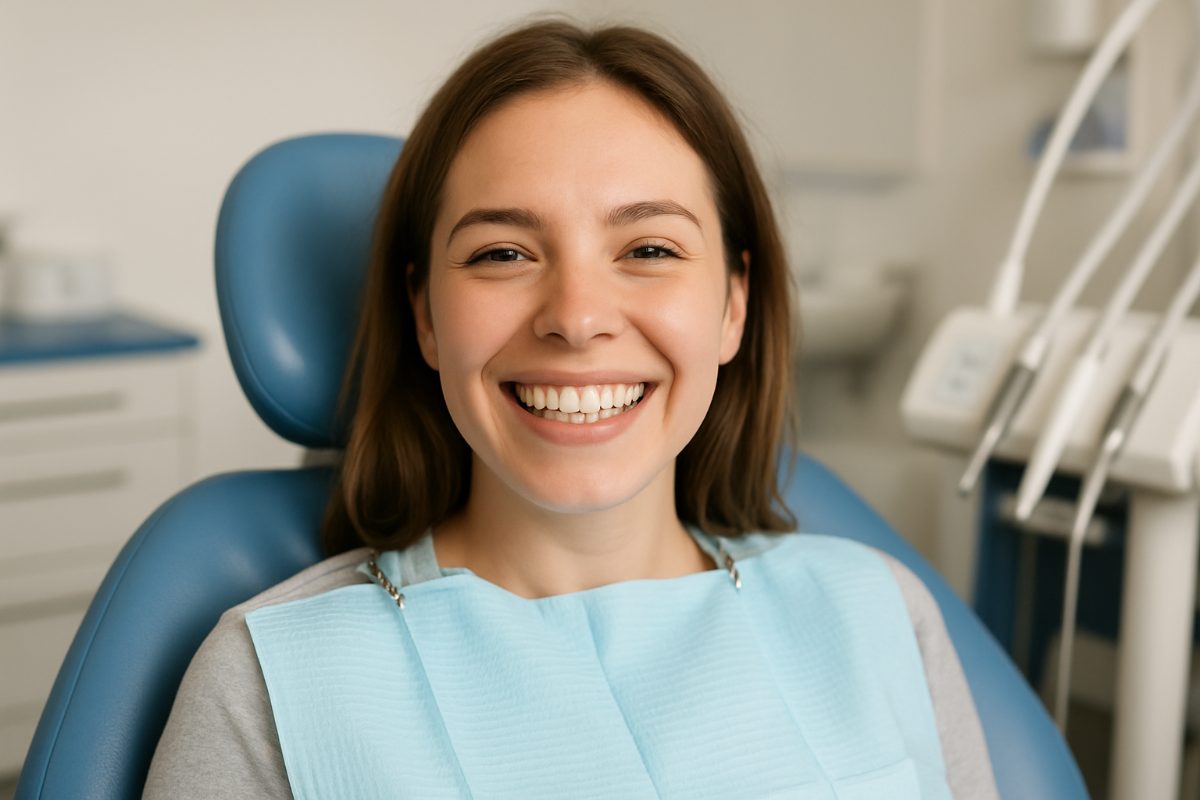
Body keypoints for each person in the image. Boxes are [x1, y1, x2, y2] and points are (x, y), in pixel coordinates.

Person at [144, 18, 998, 800]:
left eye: (650, 248)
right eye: (503, 253)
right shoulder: (271, 682)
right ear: (426, 315)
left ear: (734, 305)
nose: (578, 317)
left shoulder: (878, 613)